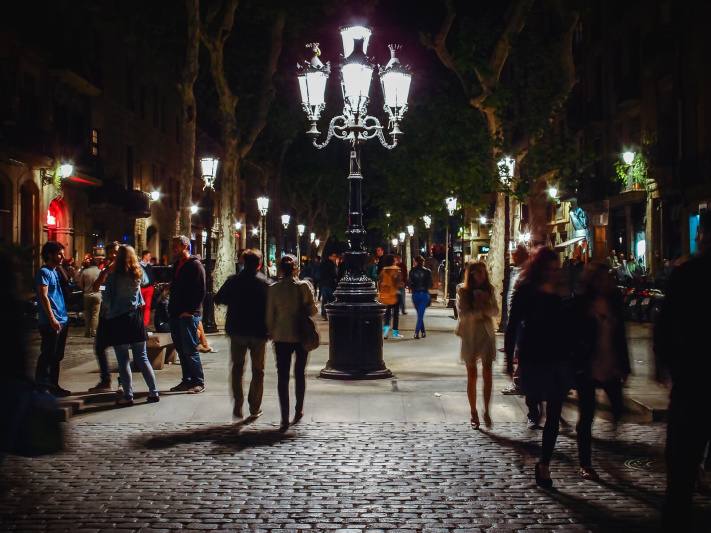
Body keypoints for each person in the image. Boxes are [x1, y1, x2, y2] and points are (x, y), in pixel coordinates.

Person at [655, 211, 711, 531]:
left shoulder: (687, 273)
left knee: (681, 477)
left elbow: (664, 327)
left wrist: (667, 366)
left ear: (703, 234)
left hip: (692, 382)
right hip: (692, 378)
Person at [505, 247, 570, 488]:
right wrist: (509, 360)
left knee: (554, 411)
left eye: (556, 268)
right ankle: (534, 419)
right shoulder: (527, 290)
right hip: (534, 356)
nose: (554, 272)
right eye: (550, 269)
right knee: (537, 403)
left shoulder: (561, 290)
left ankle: (544, 464)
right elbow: (512, 325)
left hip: (558, 356)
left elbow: (569, 321)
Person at [570, 262, 630, 480]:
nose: (607, 281)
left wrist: (625, 365)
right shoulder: (580, 303)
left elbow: (621, 334)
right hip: (587, 365)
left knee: (618, 406)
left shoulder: (614, 301)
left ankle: (610, 440)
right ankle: (585, 462)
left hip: (610, 362)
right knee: (586, 415)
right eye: (603, 278)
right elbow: (573, 335)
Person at [214, 249, 270, 424]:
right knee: (258, 370)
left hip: (237, 329)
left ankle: (238, 403)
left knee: (237, 368)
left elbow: (218, 298)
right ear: (259, 264)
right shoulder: (265, 283)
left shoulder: (234, 281)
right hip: (258, 331)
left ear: (243, 262)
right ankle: (255, 407)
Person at [266, 254, 318, 431]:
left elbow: (269, 316)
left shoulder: (273, 289)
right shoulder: (303, 286)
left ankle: (284, 416)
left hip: (281, 336)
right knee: (299, 373)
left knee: (282, 376)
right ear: (296, 269)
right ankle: (298, 409)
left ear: (280, 269)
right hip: (301, 334)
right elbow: (313, 311)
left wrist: (273, 332)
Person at [103, 246, 159, 406]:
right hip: (135, 318)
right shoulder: (137, 273)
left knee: (123, 360)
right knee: (142, 357)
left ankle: (128, 395)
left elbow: (106, 300)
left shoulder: (113, 276)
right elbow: (147, 282)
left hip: (118, 319)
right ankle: (153, 392)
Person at [456, 262, 499, 429]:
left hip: (486, 333)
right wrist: (479, 310)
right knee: (472, 374)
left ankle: (487, 410)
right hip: (470, 335)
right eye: (477, 272)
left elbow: (495, 311)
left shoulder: (490, 289)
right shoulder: (463, 290)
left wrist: (486, 306)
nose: (481, 275)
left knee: (487, 372)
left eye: (483, 272)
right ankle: (473, 411)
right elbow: (462, 314)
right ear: (471, 274)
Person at [168, 235, 207, 394]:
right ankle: (187, 380)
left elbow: (201, 291)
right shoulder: (177, 264)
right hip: (175, 313)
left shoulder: (195, 265)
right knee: (181, 349)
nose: (173, 249)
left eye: (175, 246)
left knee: (190, 349)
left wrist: (190, 311)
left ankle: (198, 381)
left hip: (188, 315)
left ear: (185, 246)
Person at [34, 241, 71, 397]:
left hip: (62, 318)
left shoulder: (56, 271)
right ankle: (42, 386)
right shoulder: (44, 272)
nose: (62, 257)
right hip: (51, 320)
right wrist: (51, 318)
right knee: (47, 354)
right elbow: (43, 296)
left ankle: (54, 385)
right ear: (50, 255)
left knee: (57, 355)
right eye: (59, 254)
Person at [88, 242, 120, 392]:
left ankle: (123, 382)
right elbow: (96, 287)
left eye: (116, 252)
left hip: (121, 314)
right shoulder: (106, 269)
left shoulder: (126, 269)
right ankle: (106, 380)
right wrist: (106, 272)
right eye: (110, 253)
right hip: (106, 313)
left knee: (122, 348)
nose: (113, 255)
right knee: (100, 346)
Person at [502, 245, 529, 395]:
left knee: (520, 351)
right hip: (516, 316)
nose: (512, 255)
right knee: (520, 350)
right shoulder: (516, 271)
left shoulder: (525, 272)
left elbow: (516, 296)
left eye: (515, 254)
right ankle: (519, 381)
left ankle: (518, 382)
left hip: (520, 319)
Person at [379, 254, 403, 339]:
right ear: (393, 261)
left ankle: (385, 329)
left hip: (385, 294)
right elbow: (399, 282)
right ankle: (395, 332)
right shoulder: (397, 270)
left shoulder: (383, 271)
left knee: (387, 313)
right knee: (396, 314)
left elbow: (380, 282)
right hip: (395, 294)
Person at [408, 255, 432, 339]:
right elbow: (430, 284)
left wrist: (413, 288)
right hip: (424, 294)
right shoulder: (427, 271)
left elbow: (410, 283)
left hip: (416, 294)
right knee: (420, 314)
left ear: (416, 262)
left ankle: (419, 331)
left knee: (419, 314)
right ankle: (419, 332)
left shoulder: (412, 271)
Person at [79, 257, 101, 338]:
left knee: (87, 314)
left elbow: (80, 284)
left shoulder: (85, 272)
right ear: (97, 264)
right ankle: (94, 332)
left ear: (90, 263)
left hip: (87, 295)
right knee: (95, 315)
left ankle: (87, 332)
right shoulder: (99, 272)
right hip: (97, 295)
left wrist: (84, 291)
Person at [320, 252, 338, 321]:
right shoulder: (332, 264)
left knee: (324, 301)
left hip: (324, 284)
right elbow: (334, 274)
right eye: (334, 256)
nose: (335, 258)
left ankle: (323, 315)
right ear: (330, 256)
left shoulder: (323, 264)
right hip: (330, 284)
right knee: (331, 300)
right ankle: (331, 315)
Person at [139, 250, 154, 327]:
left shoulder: (149, 266)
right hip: (141, 288)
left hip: (149, 288)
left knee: (147, 306)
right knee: (140, 306)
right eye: (149, 255)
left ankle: (145, 323)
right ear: (144, 256)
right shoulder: (138, 266)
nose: (150, 257)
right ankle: (140, 322)